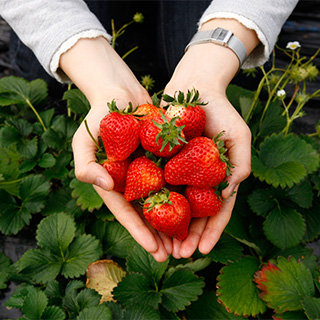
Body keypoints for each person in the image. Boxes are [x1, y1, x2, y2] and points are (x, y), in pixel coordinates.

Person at [0, 0, 299, 262]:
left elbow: (173, 169)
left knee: (235, 69)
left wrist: (211, 65)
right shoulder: (161, 163)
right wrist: (98, 73)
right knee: (43, 70)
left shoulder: (165, 164)